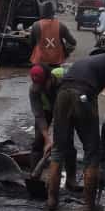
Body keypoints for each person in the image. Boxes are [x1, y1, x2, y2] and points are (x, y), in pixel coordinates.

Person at [47, 49, 105, 211]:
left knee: (58, 149)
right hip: (83, 96)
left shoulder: (84, 63)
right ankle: (89, 207)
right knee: (92, 152)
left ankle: (52, 200)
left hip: (63, 95)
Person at [29, 64, 79, 192]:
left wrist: (56, 138)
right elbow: (39, 115)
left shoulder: (65, 79)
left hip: (66, 108)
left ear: (50, 78)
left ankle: (71, 180)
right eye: (37, 86)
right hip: (47, 109)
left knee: (67, 141)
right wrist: (47, 139)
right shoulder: (34, 90)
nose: (40, 89)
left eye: (43, 85)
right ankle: (34, 177)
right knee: (38, 141)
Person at [29, 1, 76, 67]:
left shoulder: (36, 25)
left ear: (42, 11)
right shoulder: (61, 25)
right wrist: (65, 51)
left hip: (40, 60)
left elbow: (31, 43)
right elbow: (73, 42)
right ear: (53, 12)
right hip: (57, 60)